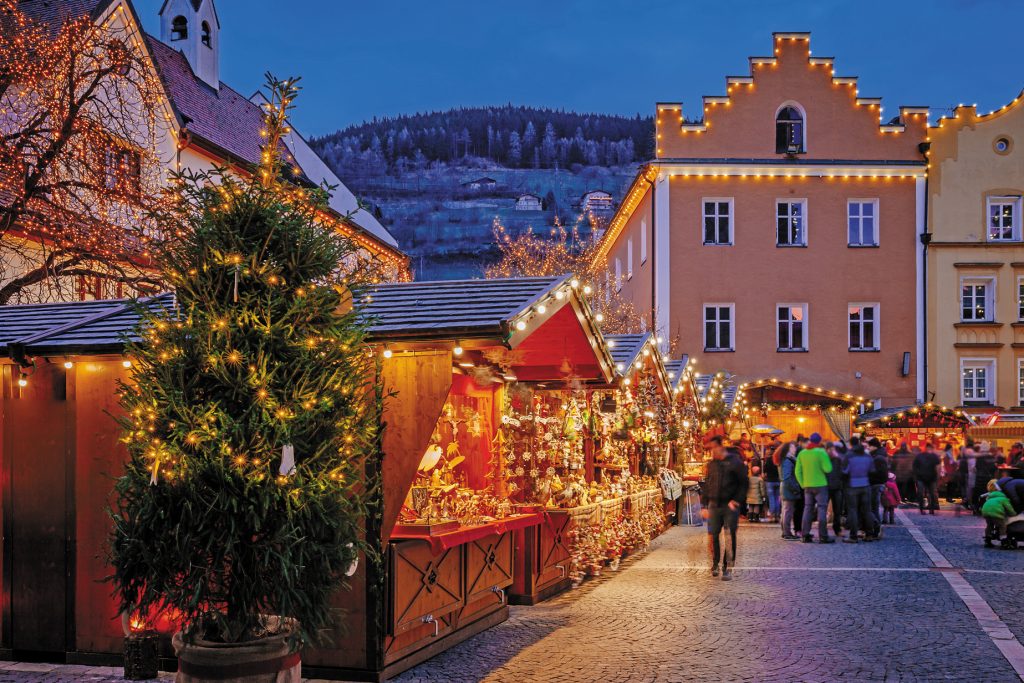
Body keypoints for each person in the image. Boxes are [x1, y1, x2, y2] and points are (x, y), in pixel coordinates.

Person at [700, 436, 749, 580]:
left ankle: (727, 567)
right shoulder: (712, 464)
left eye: (712, 449)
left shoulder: (735, 462)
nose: (711, 452)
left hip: (729, 506)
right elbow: (708, 484)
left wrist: (736, 501)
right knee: (713, 535)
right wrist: (704, 505)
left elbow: (744, 484)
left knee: (729, 536)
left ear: (720, 447)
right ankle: (715, 563)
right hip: (714, 504)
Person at [796, 433, 834, 543]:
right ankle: (823, 536)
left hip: (807, 485)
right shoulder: (821, 452)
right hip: (821, 485)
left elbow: (797, 471)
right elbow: (828, 469)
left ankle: (805, 534)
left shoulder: (802, 453)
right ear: (819, 441)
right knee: (822, 509)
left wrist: (803, 484)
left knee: (807, 509)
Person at [842, 440, 876, 543]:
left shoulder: (849, 455)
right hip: (865, 485)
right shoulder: (867, 456)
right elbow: (872, 470)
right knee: (867, 511)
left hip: (852, 486)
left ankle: (853, 536)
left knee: (853, 510)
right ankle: (869, 534)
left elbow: (844, 471)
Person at [982, 479, 1017, 548]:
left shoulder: (990, 497)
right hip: (996, 513)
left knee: (989, 525)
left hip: (986, 513)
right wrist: (1013, 514)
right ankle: (1004, 540)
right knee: (1002, 526)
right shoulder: (1003, 499)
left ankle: (987, 539)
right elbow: (1009, 509)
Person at [779, 441, 802, 540]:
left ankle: (785, 532)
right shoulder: (788, 461)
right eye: (793, 447)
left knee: (785, 510)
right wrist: (795, 488)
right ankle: (787, 533)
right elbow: (787, 477)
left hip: (786, 487)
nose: (795, 449)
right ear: (788, 449)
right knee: (787, 511)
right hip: (788, 488)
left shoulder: (787, 459)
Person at [866, 437, 888, 539]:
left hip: (875, 484)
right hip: (878, 484)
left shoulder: (877, 457)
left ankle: (877, 527)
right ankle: (876, 529)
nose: (868, 448)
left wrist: (869, 476)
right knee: (874, 508)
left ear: (873, 446)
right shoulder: (879, 455)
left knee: (872, 507)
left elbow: (876, 472)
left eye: (869, 446)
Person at [913, 444, 941, 515]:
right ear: (931, 448)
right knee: (931, 493)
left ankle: (922, 509)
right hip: (931, 477)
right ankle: (931, 509)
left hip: (921, 477)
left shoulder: (919, 456)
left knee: (921, 493)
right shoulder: (934, 456)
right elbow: (938, 468)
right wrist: (937, 477)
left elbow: (914, 467)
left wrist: (916, 476)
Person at [826, 442, 846, 538]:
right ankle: (836, 529)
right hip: (834, 487)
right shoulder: (838, 459)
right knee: (836, 510)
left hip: (831, 487)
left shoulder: (838, 459)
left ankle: (835, 529)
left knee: (836, 510)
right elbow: (843, 472)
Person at [763, 443, 781, 524]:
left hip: (770, 481)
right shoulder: (778, 459)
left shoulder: (768, 460)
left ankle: (772, 516)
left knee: (771, 499)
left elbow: (765, 472)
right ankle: (777, 516)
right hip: (777, 481)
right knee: (777, 499)